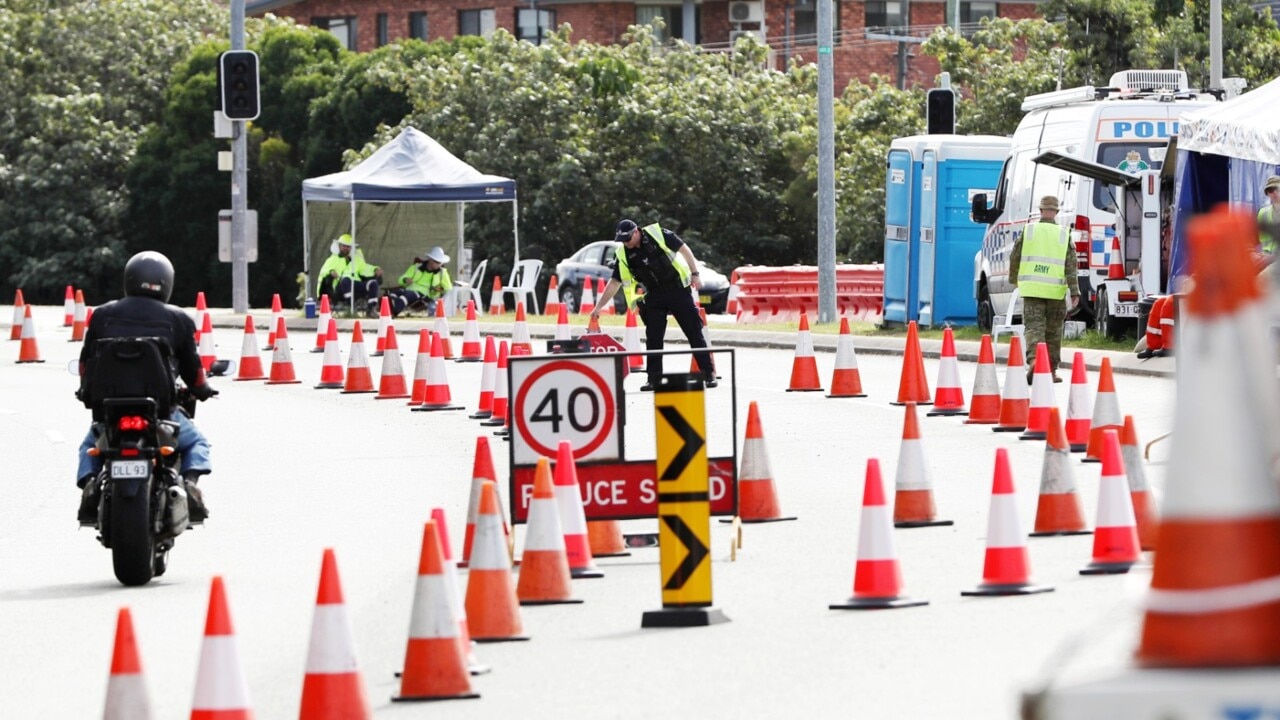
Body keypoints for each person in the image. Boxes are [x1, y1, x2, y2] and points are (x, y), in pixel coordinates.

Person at [76, 251, 216, 525]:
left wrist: (85, 391)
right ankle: (189, 484)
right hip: (159, 410)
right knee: (197, 442)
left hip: (109, 410)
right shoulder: (178, 319)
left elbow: (85, 364)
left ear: (129, 279)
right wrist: (203, 390)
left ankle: (91, 484)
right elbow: (193, 369)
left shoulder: (102, 315)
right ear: (166, 283)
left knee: (88, 446)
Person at [592, 219, 715, 391]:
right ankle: (654, 379)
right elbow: (614, 282)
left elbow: (684, 249)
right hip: (655, 295)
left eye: (627, 239)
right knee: (654, 338)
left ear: (636, 232)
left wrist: (695, 274)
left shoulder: (658, 234)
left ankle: (709, 374)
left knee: (694, 332)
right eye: (622, 241)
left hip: (678, 289)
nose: (625, 244)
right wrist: (598, 307)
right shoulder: (623, 254)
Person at [1008, 196, 1080, 383]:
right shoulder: (1064, 234)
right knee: (1054, 331)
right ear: (1056, 212)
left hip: (1032, 290)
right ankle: (1051, 371)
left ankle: (1034, 361)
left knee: (1034, 328)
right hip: (1055, 292)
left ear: (1040, 211)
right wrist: (1074, 291)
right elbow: (1071, 266)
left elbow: (1015, 257)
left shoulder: (1029, 230)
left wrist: (1013, 279)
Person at [318, 234, 383, 318]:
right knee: (346, 280)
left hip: (356, 285)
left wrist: (375, 269)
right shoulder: (332, 259)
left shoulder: (356, 260)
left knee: (373, 283)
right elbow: (324, 270)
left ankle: (371, 310)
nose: (346, 248)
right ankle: (351, 307)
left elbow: (366, 268)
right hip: (340, 288)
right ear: (339, 246)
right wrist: (331, 272)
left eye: (348, 246)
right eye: (344, 246)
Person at [388, 246, 453, 317]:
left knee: (406, 296)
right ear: (430, 259)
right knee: (393, 293)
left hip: (425, 295)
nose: (439, 264)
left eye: (440, 262)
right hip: (409, 290)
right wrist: (405, 280)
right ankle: (389, 310)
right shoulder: (416, 267)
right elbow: (401, 279)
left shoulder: (442, 273)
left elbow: (448, 288)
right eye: (437, 262)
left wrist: (437, 289)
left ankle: (393, 313)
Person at [1257, 175, 1280, 259]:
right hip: (1265, 258)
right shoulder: (1262, 213)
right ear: (1267, 193)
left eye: (1277, 188)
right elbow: (1254, 238)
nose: (1275, 192)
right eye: (1270, 190)